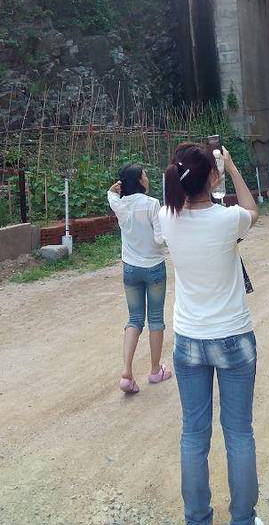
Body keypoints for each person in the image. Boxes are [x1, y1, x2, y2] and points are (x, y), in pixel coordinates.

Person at [160, 142, 264, 525]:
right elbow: (253, 210)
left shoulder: (166, 218)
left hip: (189, 341)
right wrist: (232, 167)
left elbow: (178, 201)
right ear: (213, 177)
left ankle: (197, 518)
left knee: (193, 434)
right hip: (234, 337)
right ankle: (243, 519)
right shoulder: (228, 219)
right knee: (238, 433)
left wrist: (202, 178)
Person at [107, 163, 171, 394]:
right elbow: (159, 239)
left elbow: (111, 195)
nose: (147, 178)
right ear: (139, 181)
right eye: (144, 175)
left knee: (134, 318)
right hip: (154, 268)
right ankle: (155, 370)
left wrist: (114, 189)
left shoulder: (120, 204)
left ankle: (127, 372)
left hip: (130, 268)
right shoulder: (152, 204)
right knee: (155, 318)